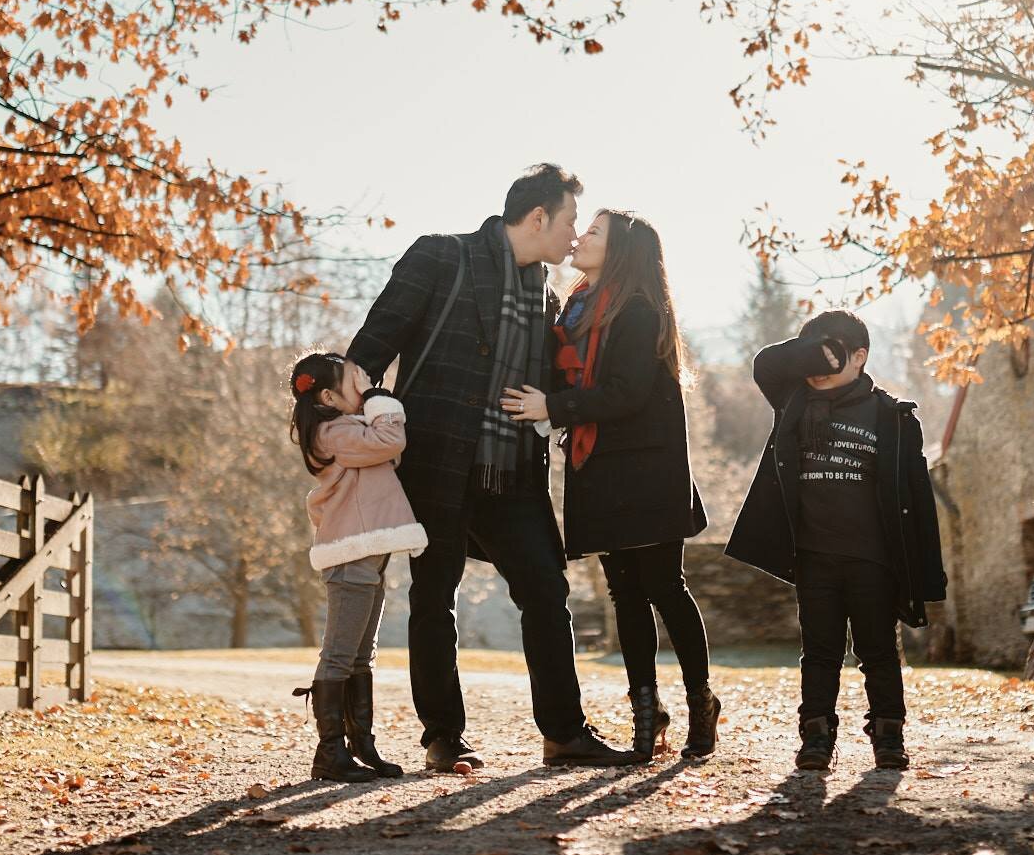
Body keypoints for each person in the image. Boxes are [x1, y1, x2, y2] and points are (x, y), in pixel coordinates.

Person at [348, 163, 638, 770]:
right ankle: (443, 737)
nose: (573, 235)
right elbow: (370, 349)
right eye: (570, 221)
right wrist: (350, 421)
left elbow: (558, 382)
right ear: (538, 217)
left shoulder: (546, 295)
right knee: (434, 597)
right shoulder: (441, 257)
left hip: (513, 472)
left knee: (546, 591)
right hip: (435, 464)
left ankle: (564, 734)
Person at [501, 210, 719, 760]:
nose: (580, 237)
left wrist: (554, 406)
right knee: (624, 593)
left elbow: (627, 391)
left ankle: (701, 702)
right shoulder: (575, 309)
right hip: (598, 469)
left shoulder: (639, 310)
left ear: (620, 250)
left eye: (594, 232)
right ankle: (646, 710)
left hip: (646, 471)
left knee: (664, 587)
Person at [723, 310, 947, 771]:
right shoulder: (794, 400)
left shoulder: (892, 416)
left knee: (878, 651)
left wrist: (926, 572)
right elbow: (765, 364)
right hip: (813, 554)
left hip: (874, 558)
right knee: (820, 653)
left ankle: (888, 735)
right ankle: (816, 736)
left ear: (860, 356)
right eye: (811, 356)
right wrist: (814, 350)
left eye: (833, 355)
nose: (818, 367)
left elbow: (917, 497)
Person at [287, 351, 430, 783]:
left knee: (360, 656)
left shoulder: (346, 429)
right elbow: (390, 441)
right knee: (339, 655)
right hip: (350, 556)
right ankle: (329, 751)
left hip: (368, 555)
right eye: (354, 382)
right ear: (328, 397)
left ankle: (360, 744)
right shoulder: (334, 432)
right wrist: (376, 398)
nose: (364, 387)